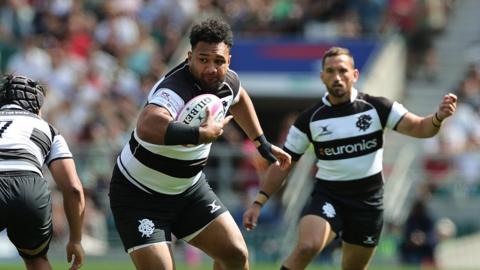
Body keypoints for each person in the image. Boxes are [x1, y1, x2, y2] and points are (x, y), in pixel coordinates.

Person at [243, 46, 457, 270]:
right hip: (329, 196)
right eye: (331, 71)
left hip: (368, 202)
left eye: (343, 71)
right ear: (322, 76)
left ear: (354, 75)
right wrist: (259, 202)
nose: (337, 77)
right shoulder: (310, 119)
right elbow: (283, 165)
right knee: (308, 246)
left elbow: (420, 128)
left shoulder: (378, 107)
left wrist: (438, 117)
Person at [108, 18, 291, 270]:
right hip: (140, 197)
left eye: (218, 61)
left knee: (236, 255)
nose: (211, 68)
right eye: (203, 59)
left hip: (188, 192)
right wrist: (199, 134)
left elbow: (238, 99)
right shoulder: (174, 89)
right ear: (189, 56)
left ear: (229, 59)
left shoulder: (228, 82)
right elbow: (147, 126)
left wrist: (261, 142)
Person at [0, 74, 85, 270]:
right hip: (29, 190)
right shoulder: (48, 129)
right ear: (37, 106)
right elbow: (73, 188)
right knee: (36, 259)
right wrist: (75, 240)